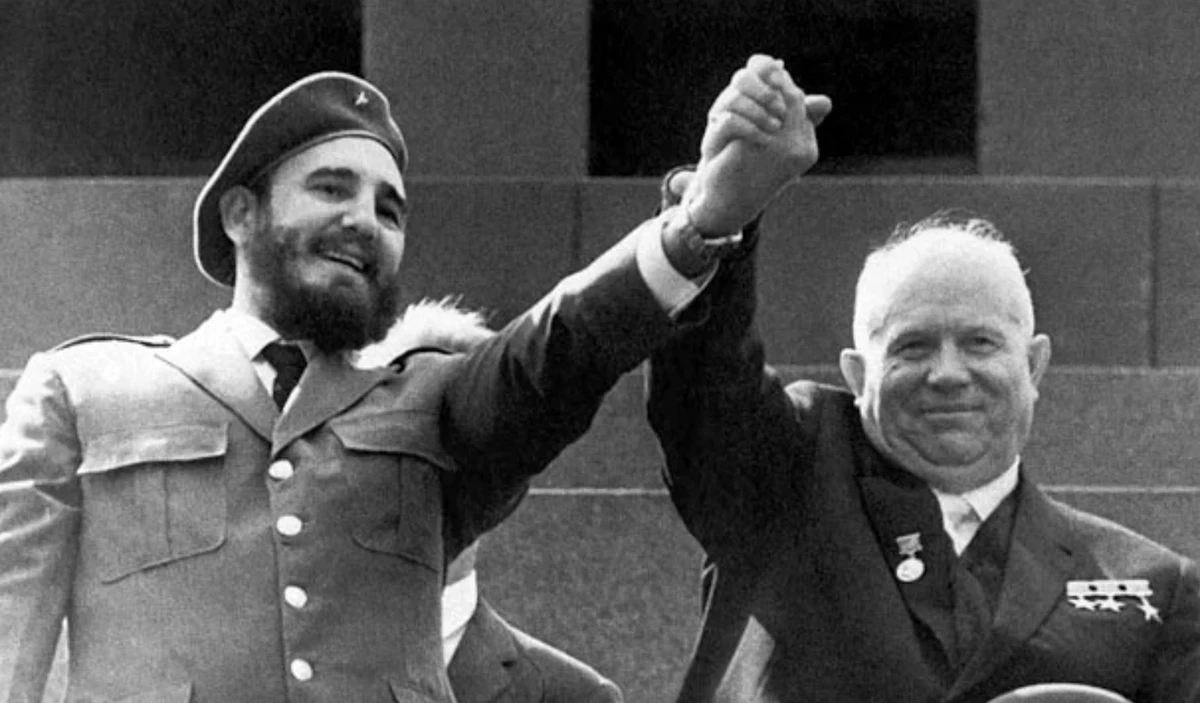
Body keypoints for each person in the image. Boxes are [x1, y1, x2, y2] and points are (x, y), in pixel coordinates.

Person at [0, 56, 829, 701]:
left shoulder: (432, 397)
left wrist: (701, 224)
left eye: (389, 209)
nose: (364, 220)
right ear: (239, 213)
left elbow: (558, 349)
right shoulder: (81, 389)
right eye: (332, 188)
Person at [646, 174, 1200, 701]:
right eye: (913, 347)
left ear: (1033, 366)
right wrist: (711, 221)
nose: (949, 373)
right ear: (858, 376)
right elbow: (703, 387)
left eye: (981, 342)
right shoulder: (784, 477)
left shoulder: (1154, 584)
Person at [361, 299, 623, 703]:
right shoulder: (256, 653)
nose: (434, 462)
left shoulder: (572, 697)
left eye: (466, 435)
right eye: (402, 432)